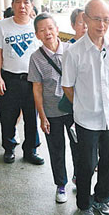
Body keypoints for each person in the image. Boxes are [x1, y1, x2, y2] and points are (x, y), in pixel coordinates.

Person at [61, 0, 109, 215]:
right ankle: (84, 204)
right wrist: (83, 104)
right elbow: (68, 87)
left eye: (106, 19)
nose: (102, 25)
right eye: (96, 19)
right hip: (86, 119)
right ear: (85, 19)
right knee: (86, 165)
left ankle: (102, 198)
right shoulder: (73, 51)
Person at [28, 13, 79, 203]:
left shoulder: (72, 50)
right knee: (56, 150)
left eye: (50, 28)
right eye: (42, 30)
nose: (47, 33)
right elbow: (37, 89)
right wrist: (42, 116)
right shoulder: (36, 58)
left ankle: (79, 178)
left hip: (74, 110)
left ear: (57, 29)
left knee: (78, 147)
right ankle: (61, 185)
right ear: (37, 35)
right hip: (52, 112)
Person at [0, 0, 43, 165]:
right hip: (10, 79)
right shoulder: (2, 25)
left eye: (26, 2)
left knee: (31, 118)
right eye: (18, 2)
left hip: (32, 82)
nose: (22, 6)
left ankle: (31, 150)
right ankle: (9, 148)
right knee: (8, 117)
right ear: (12, 4)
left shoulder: (37, 26)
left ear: (32, 5)